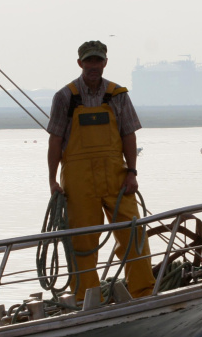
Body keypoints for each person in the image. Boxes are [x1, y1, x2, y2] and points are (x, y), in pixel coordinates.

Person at [46, 40, 156, 302]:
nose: (93, 66)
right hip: (78, 181)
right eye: (88, 61)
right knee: (82, 242)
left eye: (97, 60)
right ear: (80, 63)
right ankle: (87, 298)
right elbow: (55, 142)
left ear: (105, 62)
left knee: (133, 234)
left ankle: (144, 293)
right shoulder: (65, 97)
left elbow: (129, 135)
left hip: (116, 179)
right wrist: (52, 180)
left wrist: (132, 172)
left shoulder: (118, 95)